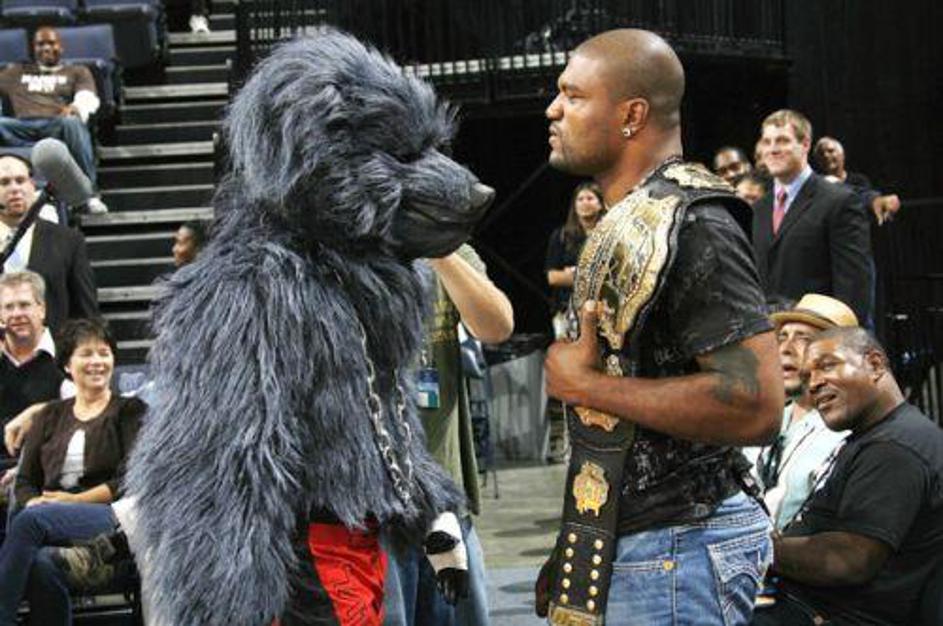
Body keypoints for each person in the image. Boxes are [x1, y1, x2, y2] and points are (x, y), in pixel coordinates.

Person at [540, 28, 783, 625]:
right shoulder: (631, 218)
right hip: (644, 545)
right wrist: (581, 543)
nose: (553, 110)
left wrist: (586, 386)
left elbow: (755, 405)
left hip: (681, 549)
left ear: (632, 115)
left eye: (573, 95)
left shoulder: (695, 224)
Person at [753, 327, 943, 626]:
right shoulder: (876, 437)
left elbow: (848, 561)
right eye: (807, 377)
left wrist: (752, 548)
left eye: (827, 366)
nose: (814, 383)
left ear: (875, 365)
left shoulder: (895, 447)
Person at [385, 246, 513, 626]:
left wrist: (441, 251)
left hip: (445, 499)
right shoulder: (339, 251)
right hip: (372, 513)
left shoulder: (447, 252)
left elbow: (497, 327)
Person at [0, 318, 145, 626]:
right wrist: (34, 502)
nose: (97, 362)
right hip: (48, 516)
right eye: (86, 354)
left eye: (104, 353)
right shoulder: (49, 415)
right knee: (41, 564)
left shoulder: (130, 411)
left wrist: (71, 502)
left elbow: (129, 480)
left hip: (109, 517)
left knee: (29, 522)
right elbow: (25, 481)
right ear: (67, 365)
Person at [752, 110, 873, 325]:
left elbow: (854, 286)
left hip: (820, 335)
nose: (772, 149)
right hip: (768, 334)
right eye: (767, 142)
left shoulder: (839, 201)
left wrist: (842, 337)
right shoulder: (757, 209)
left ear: (805, 144)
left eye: (782, 140)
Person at [753, 294, 856, 530]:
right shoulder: (761, 419)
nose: (785, 349)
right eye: (782, 337)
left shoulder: (843, 436)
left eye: (804, 339)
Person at [0, 27, 107, 214]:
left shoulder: (76, 71)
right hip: (21, 128)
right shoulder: (15, 72)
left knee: (72, 122)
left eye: (51, 43)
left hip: (56, 125)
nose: (46, 48)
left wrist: (76, 107)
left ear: (61, 46)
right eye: (40, 44)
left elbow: (88, 98)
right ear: (34, 48)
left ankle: (89, 195)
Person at [0, 154, 99, 331]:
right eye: (4, 183)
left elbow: (86, 313)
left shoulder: (68, 241)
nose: (14, 189)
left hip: (54, 345)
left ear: (32, 185)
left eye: (20, 180)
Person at [545, 181, 605, 338]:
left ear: (600, 204)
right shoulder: (561, 236)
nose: (585, 203)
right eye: (580, 199)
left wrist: (573, 273)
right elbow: (553, 277)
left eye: (590, 198)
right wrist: (591, 276)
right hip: (566, 310)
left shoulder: (610, 237)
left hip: (603, 311)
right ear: (575, 205)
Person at [813, 136, 901, 225]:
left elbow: (865, 198)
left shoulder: (859, 181)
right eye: (821, 154)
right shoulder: (816, 184)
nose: (826, 155)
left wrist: (877, 200)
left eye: (831, 151)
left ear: (842, 155)